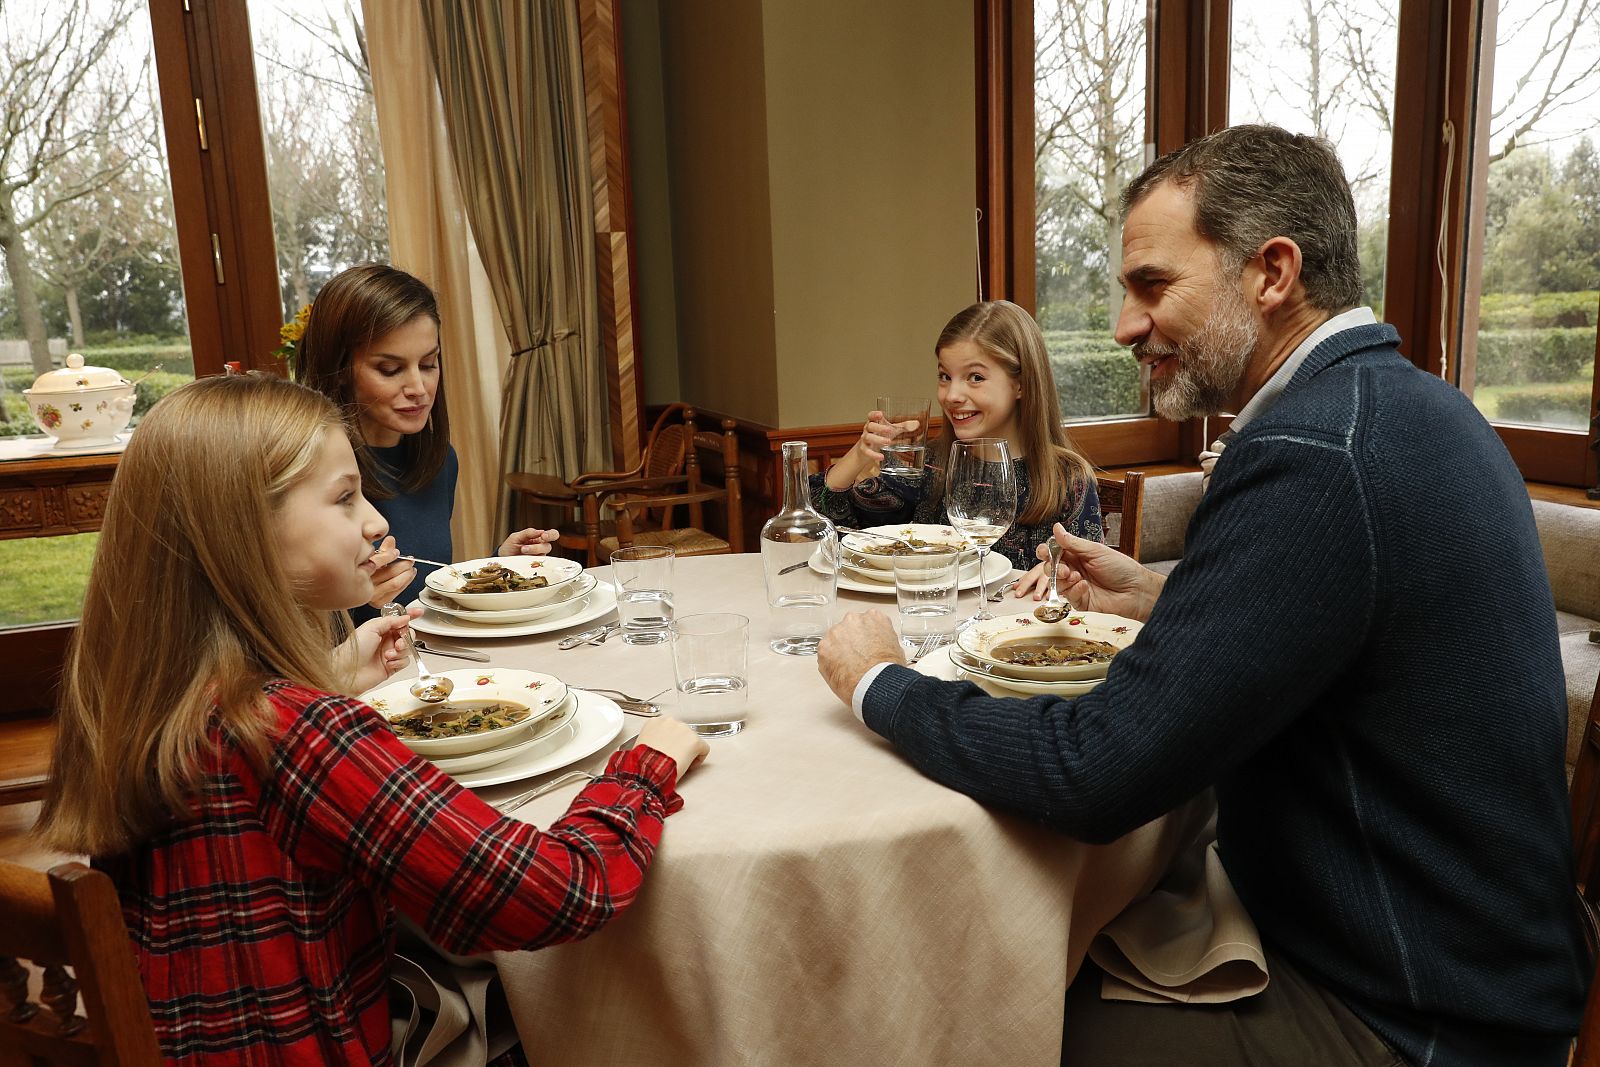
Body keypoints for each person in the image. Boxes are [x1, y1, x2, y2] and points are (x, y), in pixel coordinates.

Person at [815, 125, 1586, 1066]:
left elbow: (1094, 774)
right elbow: (1346, 631)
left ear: (1272, 273)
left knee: (984, 1013)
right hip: (1470, 962)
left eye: (1151, 285)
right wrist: (1169, 603)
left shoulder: (1310, 452)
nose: (1124, 326)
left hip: (1418, 1014)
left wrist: (879, 684)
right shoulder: (1409, 405)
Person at [34, 373, 709, 1065]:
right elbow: (556, 892)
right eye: (344, 497)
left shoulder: (141, 694)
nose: (378, 521)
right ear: (241, 531)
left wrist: (327, 676)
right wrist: (645, 765)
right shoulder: (297, 734)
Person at [295, 263, 560, 620]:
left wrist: (497, 566)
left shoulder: (440, 462)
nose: (419, 389)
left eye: (428, 364)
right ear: (339, 370)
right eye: (390, 370)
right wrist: (356, 601)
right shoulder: (304, 474)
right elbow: (284, 636)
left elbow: (426, 591)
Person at [810, 300, 1104, 570]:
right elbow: (830, 528)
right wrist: (861, 452)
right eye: (944, 376)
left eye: (975, 377)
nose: (951, 395)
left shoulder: (1069, 479)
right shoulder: (929, 466)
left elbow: (1086, 586)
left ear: (1021, 384)